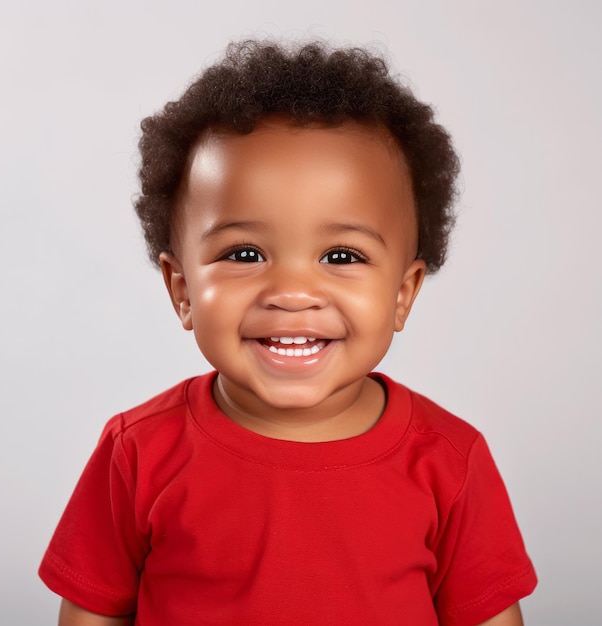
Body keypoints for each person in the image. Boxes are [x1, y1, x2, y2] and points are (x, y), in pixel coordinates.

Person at [39, 40, 537, 625]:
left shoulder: (450, 462)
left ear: (403, 294)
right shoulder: (138, 452)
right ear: (181, 289)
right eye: (245, 252)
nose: (293, 292)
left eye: (342, 255)